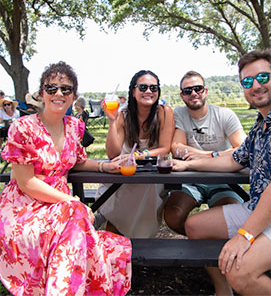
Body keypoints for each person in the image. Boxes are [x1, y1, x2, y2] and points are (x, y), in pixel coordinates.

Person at [173, 49, 271, 295]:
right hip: (261, 208)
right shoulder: (262, 123)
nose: (255, 85)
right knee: (194, 226)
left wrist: (244, 235)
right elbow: (235, 159)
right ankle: (224, 291)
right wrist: (190, 164)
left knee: (239, 269)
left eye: (263, 78)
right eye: (247, 81)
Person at [0, 61, 131, 295]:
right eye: (51, 88)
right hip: (24, 205)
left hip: (59, 205)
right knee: (76, 216)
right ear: (41, 94)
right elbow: (25, 182)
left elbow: (76, 161)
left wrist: (104, 166)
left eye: (66, 89)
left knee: (75, 221)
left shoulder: (74, 126)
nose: (58, 93)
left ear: (73, 97)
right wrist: (72, 201)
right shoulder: (22, 128)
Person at [164, 70, 247, 235]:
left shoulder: (225, 115)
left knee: (230, 221)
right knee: (173, 216)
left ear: (206, 91)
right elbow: (177, 147)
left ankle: (211, 247)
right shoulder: (179, 113)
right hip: (191, 179)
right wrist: (219, 153)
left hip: (223, 179)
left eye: (198, 89)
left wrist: (209, 155)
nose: (193, 93)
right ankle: (199, 241)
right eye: (188, 91)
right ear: (182, 95)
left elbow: (243, 149)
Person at [94, 70, 175, 237]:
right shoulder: (124, 115)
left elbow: (165, 148)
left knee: (146, 189)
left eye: (153, 88)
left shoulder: (164, 112)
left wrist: (140, 155)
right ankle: (115, 239)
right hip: (123, 173)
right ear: (133, 91)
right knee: (123, 198)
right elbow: (113, 153)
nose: (148, 91)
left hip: (151, 174)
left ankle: (139, 245)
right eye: (143, 87)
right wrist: (112, 121)